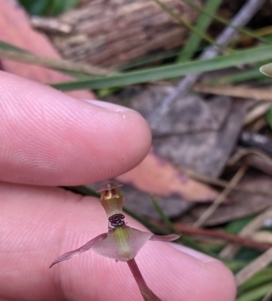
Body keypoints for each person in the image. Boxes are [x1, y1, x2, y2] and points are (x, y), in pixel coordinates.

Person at [0, 71, 236, 301]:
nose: (111, 196)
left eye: (114, 195)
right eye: (108, 195)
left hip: (119, 232)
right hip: (117, 232)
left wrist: (162, 237)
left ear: (119, 198)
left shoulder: (118, 225)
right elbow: (87, 249)